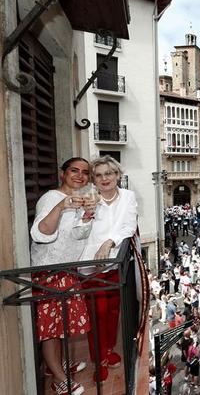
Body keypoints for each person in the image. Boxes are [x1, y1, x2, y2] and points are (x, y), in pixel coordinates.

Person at [30, 157, 94, 395]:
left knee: (60, 325)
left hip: (66, 270)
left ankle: (54, 365)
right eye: (74, 170)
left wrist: (86, 219)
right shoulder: (50, 198)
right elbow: (41, 233)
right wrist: (61, 206)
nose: (80, 175)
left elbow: (77, 237)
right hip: (49, 271)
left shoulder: (77, 200)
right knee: (50, 329)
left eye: (84, 172)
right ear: (63, 173)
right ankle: (59, 378)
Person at [79, 156, 138, 383]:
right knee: (97, 314)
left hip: (114, 263)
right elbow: (78, 231)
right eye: (99, 175)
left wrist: (109, 242)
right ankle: (99, 360)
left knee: (113, 312)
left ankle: (109, 350)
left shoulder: (128, 197)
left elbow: (128, 226)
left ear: (117, 175)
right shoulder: (88, 198)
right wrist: (85, 216)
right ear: (94, 179)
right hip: (89, 267)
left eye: (109, 173)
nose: (105, 178)